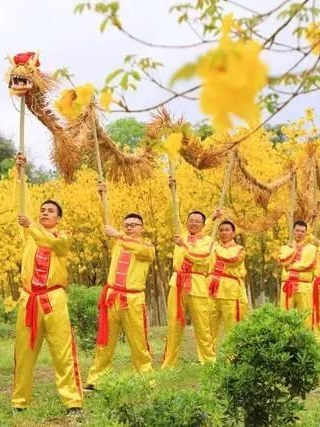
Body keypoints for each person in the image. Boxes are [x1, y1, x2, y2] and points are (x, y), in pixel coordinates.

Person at [11, 154, 82, 414]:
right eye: (42, 210)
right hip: (29, 298)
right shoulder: (30, 234)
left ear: (59, 218)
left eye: (50, 211)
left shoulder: (62, 237)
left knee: (62, 350)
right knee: (24, 350)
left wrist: (32, 226)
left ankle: (72, 400)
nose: (43, 213)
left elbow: (52, 244)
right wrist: (20, 174)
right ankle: (19, 402)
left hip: (54, 299)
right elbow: (21, 205)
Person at [85, 183, 155, 389]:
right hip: (112, 297)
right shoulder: (118, 243)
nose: (129, 227)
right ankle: (97, 379)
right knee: (105, 341)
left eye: (134, 224)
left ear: (142, 228)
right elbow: (107, 224)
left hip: (132, 300)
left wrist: (118, 235)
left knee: (138, 342)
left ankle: (145, 379)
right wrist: (102, 196)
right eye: (127, 224)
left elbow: (134, 245)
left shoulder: (147, 247)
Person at [162, 178, 218, 368]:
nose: (193, 223)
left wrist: (184, 246)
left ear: (203, 225)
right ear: (186, 223)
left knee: (202, 326)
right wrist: (173, 191)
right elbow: (173, 214)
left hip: (197, 284)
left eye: (198, 221)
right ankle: (168, 364)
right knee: (174, 325)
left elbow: (201, 257)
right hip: (176, 283)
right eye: (191, 220)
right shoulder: (181, 234)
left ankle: (209, 362)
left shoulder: (207, 241)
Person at [207, 220, 247, 351]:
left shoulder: (239, 250)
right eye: (221, 230)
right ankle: (208, 358)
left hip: (230, 290)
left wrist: (214, 249)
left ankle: (233, 357)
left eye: (227, 230)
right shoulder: (212, 246)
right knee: (208, 325)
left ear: (233, 233)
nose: (223, 233)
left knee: (232, 325)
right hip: (212, 289)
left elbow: (232, 259)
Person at [278, 220, 318, 328]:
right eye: (297, 231)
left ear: (306, 233)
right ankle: (286, 340)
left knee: (305, 315)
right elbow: (283, 261)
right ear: (293, 232)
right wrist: (295, 259)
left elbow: (309, 265)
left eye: (302, 231)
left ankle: (306, 340)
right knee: (285, 315)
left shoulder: (312, 249)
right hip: (287, 286)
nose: (300, 233)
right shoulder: (285, 248)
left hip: (304, 285)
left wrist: (291, 266)